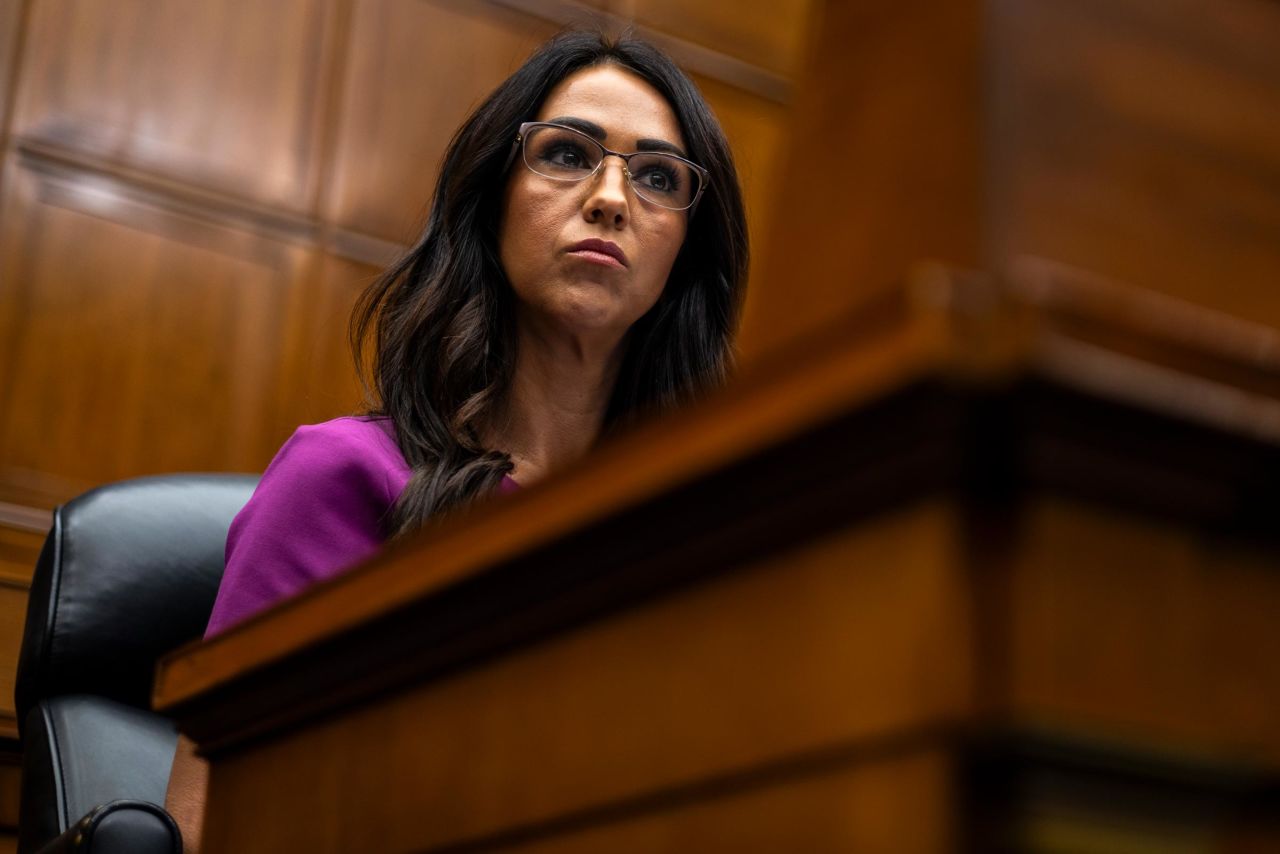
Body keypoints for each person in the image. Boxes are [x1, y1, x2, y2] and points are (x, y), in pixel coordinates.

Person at [165, 29, 748, 851]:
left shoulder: (700, 529)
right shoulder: (344, 478)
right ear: (491, 199)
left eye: (657, 176)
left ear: (685, 255)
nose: (613, 197)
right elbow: (207, 825)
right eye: (569, 154)